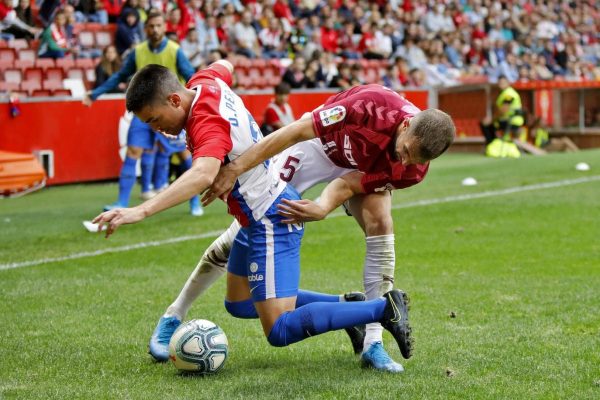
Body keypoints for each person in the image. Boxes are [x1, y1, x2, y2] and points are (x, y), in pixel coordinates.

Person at [93, 62, 415, 369]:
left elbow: (204, 174)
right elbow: (225, 65)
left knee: (278, 330)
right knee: (238, 303)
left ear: (175, 99)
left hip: (271, 218)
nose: (157, 130)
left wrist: (141, 210)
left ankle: (385, 309)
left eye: (153, 119)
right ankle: (348, 307)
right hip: (256, 214)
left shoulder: (205, 121)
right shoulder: (205, 82)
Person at [151, 84, 455, 372]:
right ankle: (174, 314)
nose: (403, 162)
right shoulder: (369, 106)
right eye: (404, 152)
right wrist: (236, 168)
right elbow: (296, 131)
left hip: (358, 167)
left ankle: (375, 342)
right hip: (319, 147)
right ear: (405, 126)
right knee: (243, 229)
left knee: (381, 224)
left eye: (412, 161)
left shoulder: (413, 169)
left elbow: (350, 182)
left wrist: (323, 206)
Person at [83, 11, 203, 216]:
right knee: (133, 152)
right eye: (151, 26)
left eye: (158, 25)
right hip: (144, 114)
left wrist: (195, 105)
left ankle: (194, 202)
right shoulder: (138, 52)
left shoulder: (175, 50)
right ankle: (121, 201)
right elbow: (120, 75)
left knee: (184, 154)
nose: (155, 30)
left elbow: (191, 76)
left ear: (164, 27)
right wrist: (96, 93)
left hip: (169, 112)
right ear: (145, 28)